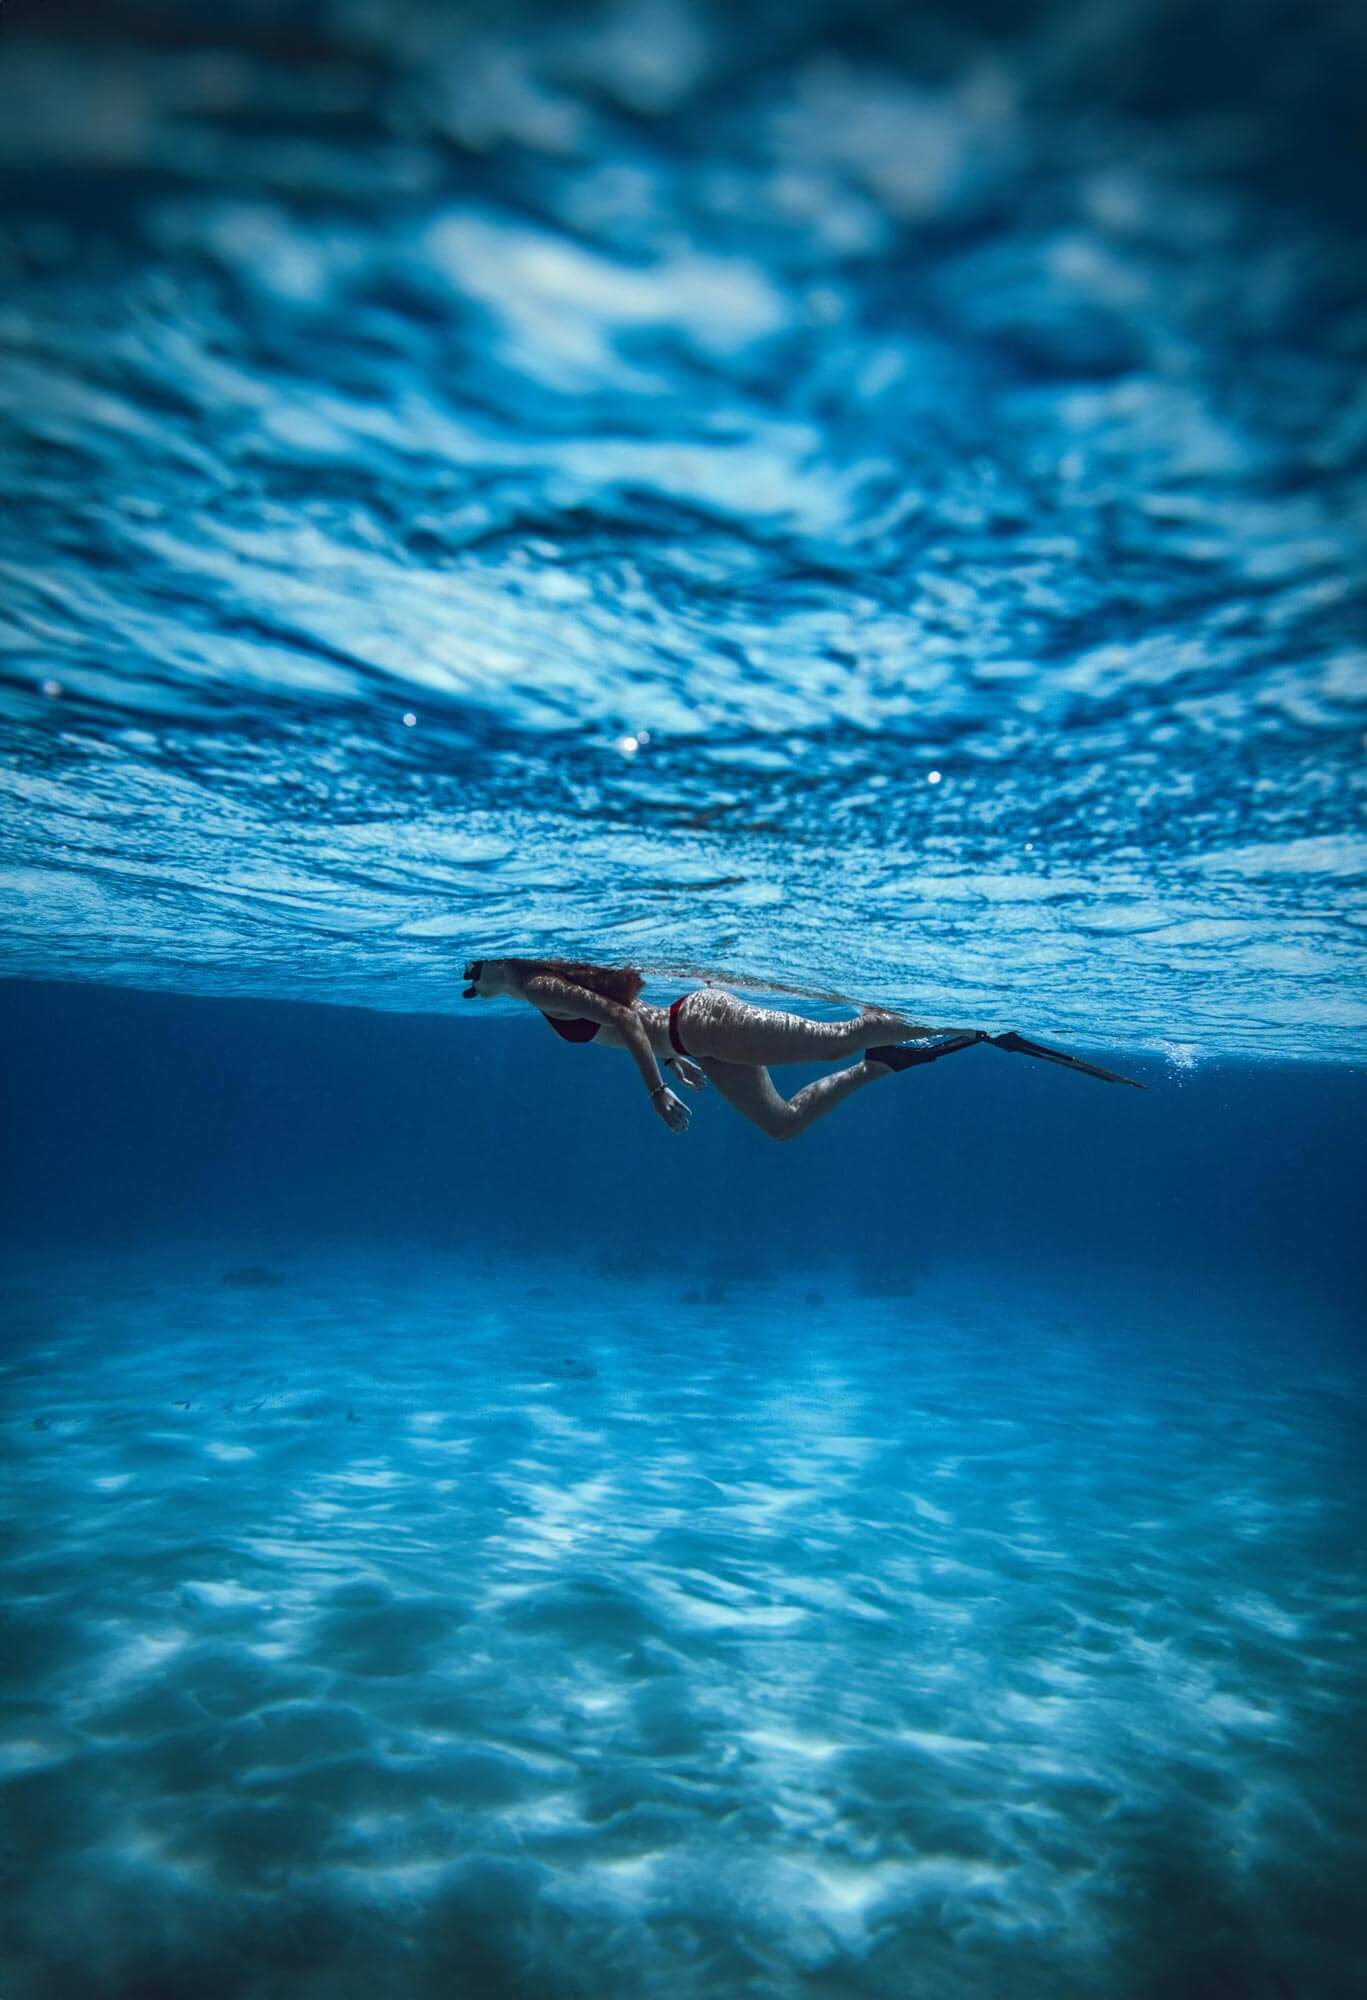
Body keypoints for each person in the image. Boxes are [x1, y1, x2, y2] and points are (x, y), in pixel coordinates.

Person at [460, 958, 1141, 1140]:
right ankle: (887, 1061)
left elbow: (622, 1020)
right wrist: (672, 1060)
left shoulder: (540, 986)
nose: (470, 986)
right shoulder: (525, 991)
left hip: (701, 1022)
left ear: (495, 959)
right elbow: (631, 1022)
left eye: (471, 974)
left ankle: (973, 1017)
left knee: (833, 1040)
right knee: (781, 1125)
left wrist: (656, 1086)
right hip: (693, 1040)